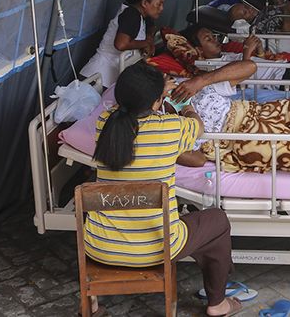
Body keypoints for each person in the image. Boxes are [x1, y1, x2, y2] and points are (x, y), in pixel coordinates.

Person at [86, 62, 256, 317]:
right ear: (156, 102)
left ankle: (91, 305)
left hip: (100, 244)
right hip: (156, 247)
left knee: (196, 227)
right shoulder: (170, 128)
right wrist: (184, 106)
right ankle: (217, 303)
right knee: (216, 221)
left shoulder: (104, 124)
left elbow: (129, 110)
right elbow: (197, 126)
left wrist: (155, 94)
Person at [80, 0, 165, 87]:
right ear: (144, 3)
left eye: (162, 4)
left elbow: (151, 26)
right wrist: (146, 43)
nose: (161, 8)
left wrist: (149, 38)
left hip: (107, 77)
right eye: (158, 4)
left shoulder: (141, 15)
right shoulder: (131, 15)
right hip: (96, 77)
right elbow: (121, 44)